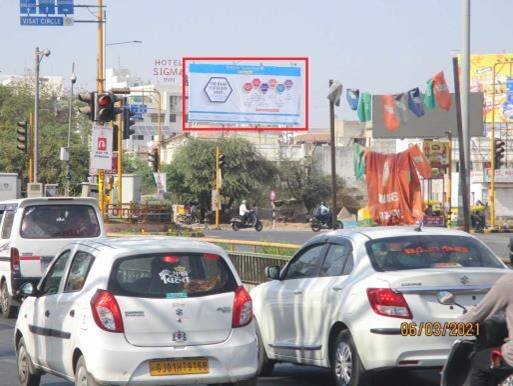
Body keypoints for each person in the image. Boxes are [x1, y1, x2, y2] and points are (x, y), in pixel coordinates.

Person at [457, 273, 513, 386]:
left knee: (479, 361)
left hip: (510, 355)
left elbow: (477, 314)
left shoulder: (509, 282)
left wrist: (455, 325)